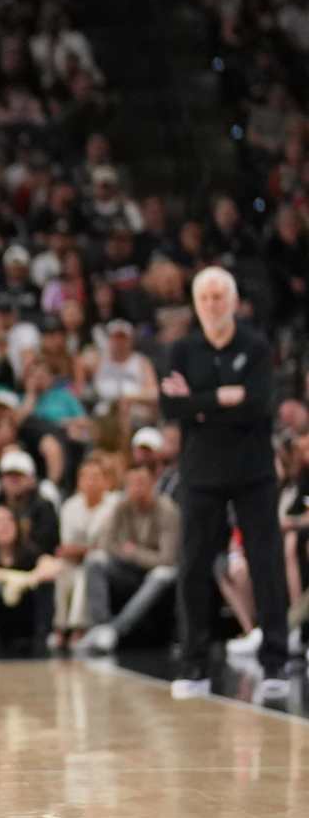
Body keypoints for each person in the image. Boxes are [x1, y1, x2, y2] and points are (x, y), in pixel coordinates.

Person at [159, 266, 289, 701]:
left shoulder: (254, 347)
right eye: (205, 297)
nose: (213, 304)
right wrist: (219, 398)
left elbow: (256, 405)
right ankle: (194, 663)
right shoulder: (182, 350)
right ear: (196, 304)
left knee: (266, 563)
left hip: (253, 473)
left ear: (233, 301)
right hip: (200, 473)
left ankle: (275, 661)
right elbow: (169, 407)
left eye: (220, 296)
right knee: (193, 566)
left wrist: (198, 404)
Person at [80, 464, 179, 654]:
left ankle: (115, 630)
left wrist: (134, 553)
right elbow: (107, 544)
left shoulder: (167, 510)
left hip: (158, 574)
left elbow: (167, 559)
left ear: (153, 484)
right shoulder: (121, 506)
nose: (136, 488)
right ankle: (100, 626)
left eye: (141, 483)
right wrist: (130, 554)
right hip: (129, 569)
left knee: (161, 575)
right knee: (94, 560)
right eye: (132, 483)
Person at [0, 504, 62, 656]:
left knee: (45, 584)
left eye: (8, 521)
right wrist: (7, 576)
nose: (4, 526)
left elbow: (52, 566)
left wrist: (27, 579)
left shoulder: (29, 551)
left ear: (17, 525)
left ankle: (41, 638)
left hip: (24, 621)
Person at [54, 456, 119, 650]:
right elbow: (65, 548)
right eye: (86, 477)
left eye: (96, 476)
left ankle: (79, 629)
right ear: (79, 481)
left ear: (107, 481)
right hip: (75, 561)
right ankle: (60, 627)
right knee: (61, 569)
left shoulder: (115, 504)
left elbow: (107, 546)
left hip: (106, 563)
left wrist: (80, 550)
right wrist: (82, 550)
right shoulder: (69, 506)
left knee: (88, 568)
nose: (91, 481)